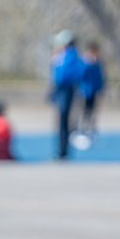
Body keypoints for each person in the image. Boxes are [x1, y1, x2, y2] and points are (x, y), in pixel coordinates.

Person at [49, 30, 83, 159]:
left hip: (66, 92)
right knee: (62, 123)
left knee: (64, 122)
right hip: (63, 92)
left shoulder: (69, 56)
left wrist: (56, 64)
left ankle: (63, 151)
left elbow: (63, 77)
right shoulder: (66, 56)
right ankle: (62, 149)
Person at [78, 41, 107, 137]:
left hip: (93, 90)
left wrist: (101, 88)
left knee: (92, 109)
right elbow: (81, 75)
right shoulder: (84, 61)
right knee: (83, 109)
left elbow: (100, 77)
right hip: (84, 90)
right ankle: (81, 128)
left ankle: (91, 128)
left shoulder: (98, 63)